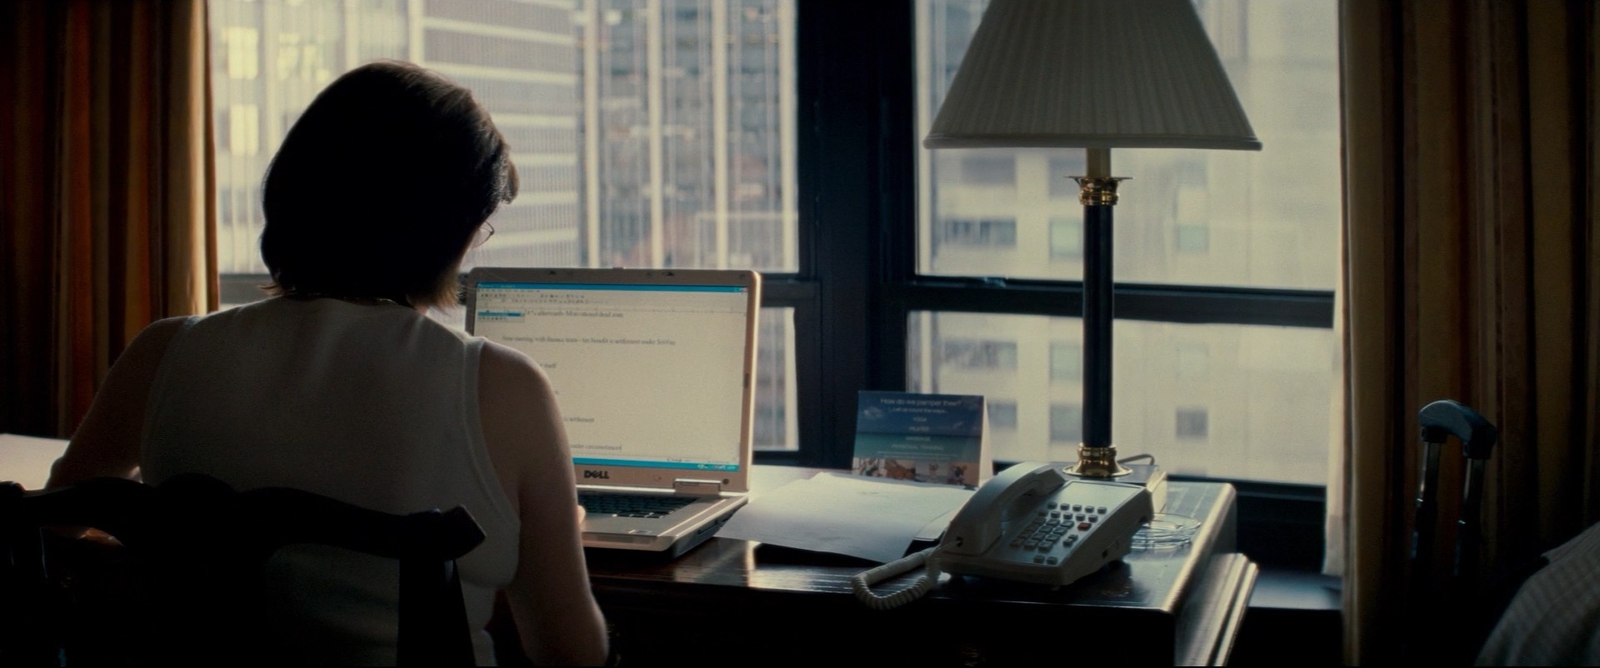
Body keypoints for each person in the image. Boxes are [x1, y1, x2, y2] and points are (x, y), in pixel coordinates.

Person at [48, 60, 609, 666]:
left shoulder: (163, 352)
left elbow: (55, 520)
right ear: (447, 232)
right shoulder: (503, 386)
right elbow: (568, 650)